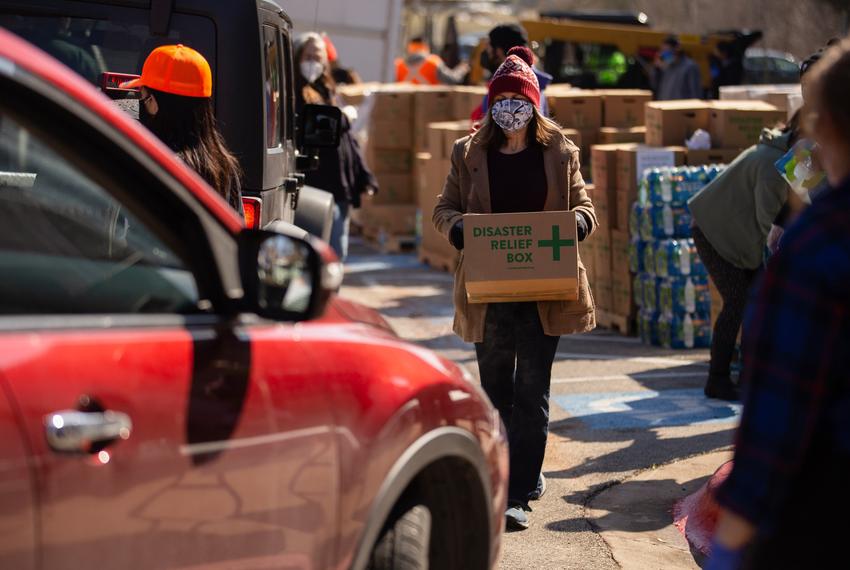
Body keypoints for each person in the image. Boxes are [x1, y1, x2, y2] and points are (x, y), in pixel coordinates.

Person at [432, 46, 596, 531]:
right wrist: (459, 229)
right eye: (501, 101)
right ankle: (499, 478)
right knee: (496, 390)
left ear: (533, 104)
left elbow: (585, 205)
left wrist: (579, 224)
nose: (510, 110)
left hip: (544, 292)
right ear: (491, 106)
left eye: (518, 101)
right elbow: (444, 208)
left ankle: (521, 491)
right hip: (490, 292)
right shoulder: (469, 153)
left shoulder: (560, 151)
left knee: (532, 392)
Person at [706, 38, 850, 570]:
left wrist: (732, 544)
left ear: (826, 125)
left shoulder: (820, 248)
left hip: (827, 512)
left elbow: (778, 416)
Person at [688, 115, 799, 400]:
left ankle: (750, 377)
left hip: (734, 233)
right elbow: (768, 225)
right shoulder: (774, 166)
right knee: (738, 300)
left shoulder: (782, 156)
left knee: (753, 300)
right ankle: (718, 378)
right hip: (714, 232)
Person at [122, 44, 243, 215]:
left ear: (154, 103)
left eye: (142, 97)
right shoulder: (224, 167)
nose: (138, 105)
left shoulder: (158, 167)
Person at [295, 32, 376, 260]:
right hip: (315, 188)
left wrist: (364, 176)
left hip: (340, 187)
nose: (313, 62)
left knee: (337, 254)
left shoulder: (328, 90)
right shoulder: (295, 95)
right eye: (307, 56)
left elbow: (348, 140)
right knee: (322, 257)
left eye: (318, 57)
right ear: (297, 58)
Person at [472, 24, 553, 121]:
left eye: (488, 47)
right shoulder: (535, 82)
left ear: (499, 50)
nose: (486, 52)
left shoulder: (506, 85)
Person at [395, 37, 468, 85]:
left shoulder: (398, 65)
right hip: (429, 104)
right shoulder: (433, 63)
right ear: (425, 47)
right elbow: (452, 80)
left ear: (409, 48)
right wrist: (462, 69)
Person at [652, 35, 703, 100]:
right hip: (666, 106)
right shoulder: (667, 67)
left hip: (681, 108)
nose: (664, 54)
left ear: (676, 49)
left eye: (667, 51)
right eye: (663, 51)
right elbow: (656, 86)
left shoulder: (690, 67)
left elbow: (695, 93)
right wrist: (657, 69)